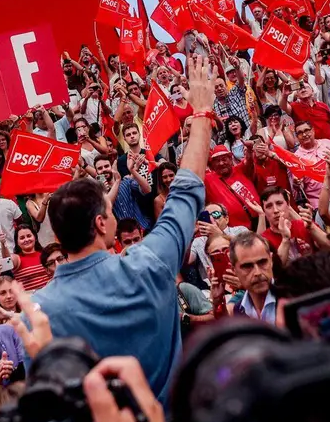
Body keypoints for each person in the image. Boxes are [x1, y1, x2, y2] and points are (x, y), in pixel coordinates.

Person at [32, 55, 214, 404]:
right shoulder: (149, 262)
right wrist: (202, 114)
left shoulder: (39, 313)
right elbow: (186, 189)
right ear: (102, 223)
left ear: (58, 238)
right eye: (108, 208)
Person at [202, 145, 261, 230]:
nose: (221, 163)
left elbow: (249, 161)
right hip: (236, 232)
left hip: (260, 220)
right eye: (217, 161)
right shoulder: (208, 179)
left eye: (224, 159)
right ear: (213, 164)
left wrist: (249, 149)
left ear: (230, 159)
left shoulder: (240, 169)